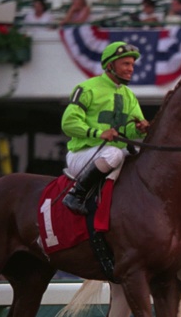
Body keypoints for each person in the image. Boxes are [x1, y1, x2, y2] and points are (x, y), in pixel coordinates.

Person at [61, 41, 150, 215]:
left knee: (143, 157)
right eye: (125, 64)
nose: (131, 69)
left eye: (132, 64)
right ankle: (76, 194)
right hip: (82, 155)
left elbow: (129, 131)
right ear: (110, 65)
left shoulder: (128, 95)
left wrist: (140, 128)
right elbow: (68, 123)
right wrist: (99, 133)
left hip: (108, 154)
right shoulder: (87, 88)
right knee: (113, 153)